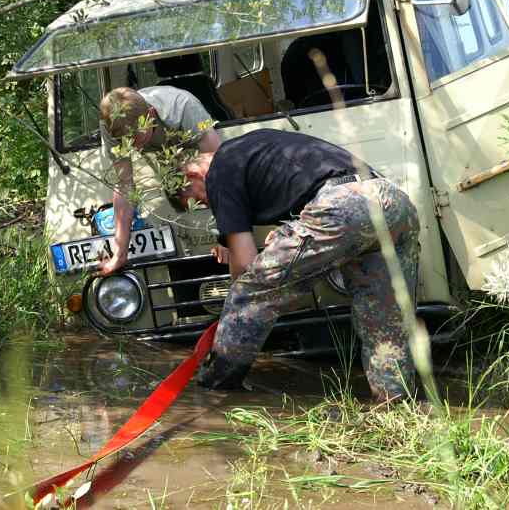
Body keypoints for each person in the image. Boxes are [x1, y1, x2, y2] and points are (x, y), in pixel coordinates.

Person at [167, 129, 421, 402]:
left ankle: (216, 390)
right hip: (393, 201)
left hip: (346, 205)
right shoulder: (251, 149)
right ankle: (395, 403)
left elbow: (246, 265)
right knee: (382, 318)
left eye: (195, 200)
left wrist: (235, 308)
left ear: (192, 176)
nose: (204, 204)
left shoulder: (219, 171)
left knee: (250, 292)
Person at [96, 85, 224, 275]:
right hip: (170, 177)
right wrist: (119, 254)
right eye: (127, 142)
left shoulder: (184, 108)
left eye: (138, 138)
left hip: (197, 168)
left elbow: (222, 169)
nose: (135, 147)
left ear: (151, 114)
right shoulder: (112, 125)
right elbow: (124, 186)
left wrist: (228, 237)